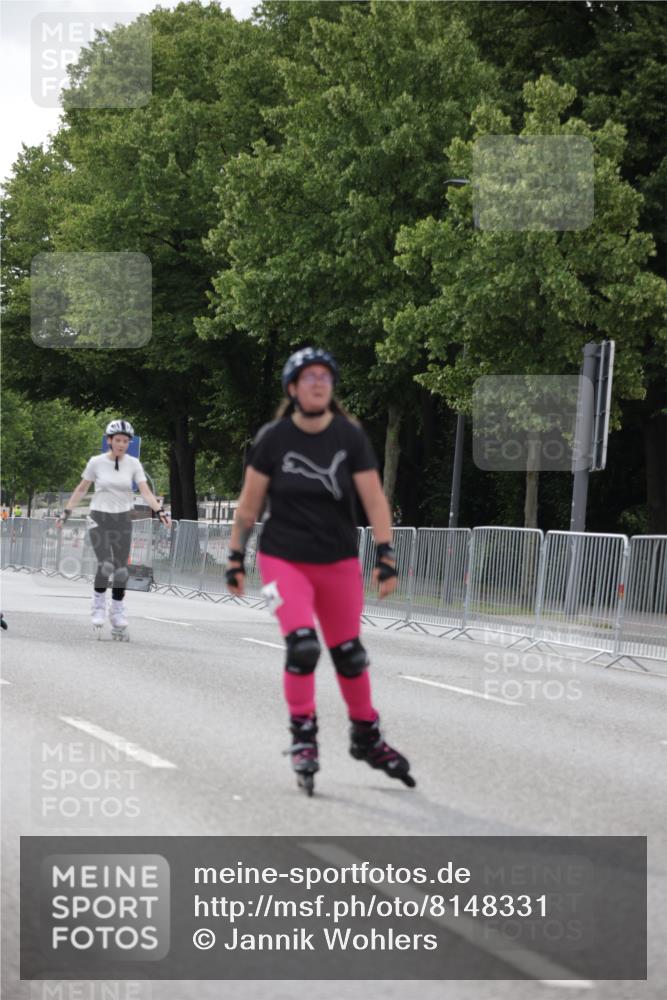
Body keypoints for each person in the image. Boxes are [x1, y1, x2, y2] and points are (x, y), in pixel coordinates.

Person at [225, 347, 415, 794]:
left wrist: (386, 557)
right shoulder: (273, 438)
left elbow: (374, 501)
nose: (318, 383)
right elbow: (249, 506)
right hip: (281, 560)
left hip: (338, 561)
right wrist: (235, 556)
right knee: (303, 646)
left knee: (349, 653)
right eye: (308, 376)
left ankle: (366, 735)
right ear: (293, 388)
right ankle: (303, 736)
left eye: (325, 376)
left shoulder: (349, 438)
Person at [56, 420, 170, 635]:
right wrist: (66, 512)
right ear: (109, 441)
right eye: (117, 440)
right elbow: (81, 489)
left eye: (125, 441)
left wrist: (160, 511)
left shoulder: (134, 464)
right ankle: (98, 603)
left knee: (121, 568)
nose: (121, 444)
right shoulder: (96, 462)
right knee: (106, 564)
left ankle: (117, 609)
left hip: (122, 519)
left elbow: (145, 492)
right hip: (99, 517)